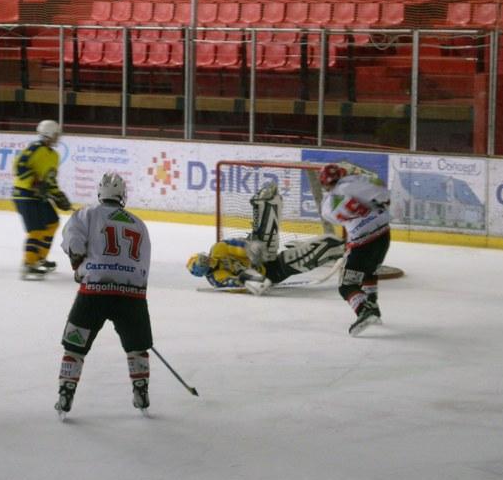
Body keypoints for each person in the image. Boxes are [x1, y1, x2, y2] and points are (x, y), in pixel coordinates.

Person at [54, 171, 154, 418]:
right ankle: (141, 390)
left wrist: (79, 265)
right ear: (123, 196)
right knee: (137, 346)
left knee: (74, 346)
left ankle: (66, 393)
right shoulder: (138, 223)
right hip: (132, 296)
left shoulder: (86, 214)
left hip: (94, 293)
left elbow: (73, 242)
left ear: (100, 193)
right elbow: (144, 263)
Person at [186, 182, 345, 295]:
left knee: (262, 242)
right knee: (306, 256)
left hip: (261, 256)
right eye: (204, 262)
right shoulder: (217, 278)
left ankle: (267, 203)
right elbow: (234, 283)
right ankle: (336, 249)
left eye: (203, 258)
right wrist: (250, 281)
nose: (207, 260)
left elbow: (236, 246)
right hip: (270, 273)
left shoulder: (217, 249)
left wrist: (250, 249)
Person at [319, 163, 391, 336]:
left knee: (346, 285)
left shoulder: (326, 206)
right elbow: (384, 194)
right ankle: (372, 303)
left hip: (361, 243)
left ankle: (364, 310)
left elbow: (340, 219)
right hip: (383, 234)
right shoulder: (355, 182)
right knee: (369, 270)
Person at [12, 119, 72, 280]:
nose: (58, 137)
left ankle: (39, 258)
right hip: (24, 195)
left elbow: (49, 180)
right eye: (56, 134)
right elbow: (19, 166)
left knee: (52, 222)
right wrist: (35, 182)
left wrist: (58, 195)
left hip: (38, 197)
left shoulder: (54, 155)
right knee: (36, 230)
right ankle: (28, 265)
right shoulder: (34, 149)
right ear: (49, 134)